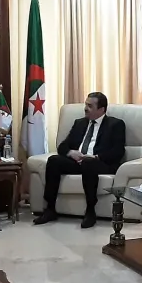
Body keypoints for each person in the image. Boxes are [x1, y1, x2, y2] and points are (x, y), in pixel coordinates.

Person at [33, 92, 126, 229]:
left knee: (88, 163)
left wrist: (96, 157)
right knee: (53, 161)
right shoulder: (79, 123)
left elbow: (118, 151)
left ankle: (90, 211)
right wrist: (71, 153)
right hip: (78, 162)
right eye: (86, 105)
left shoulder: (115, 124)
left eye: (90, 106)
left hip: (100, 163)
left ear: (101, 109)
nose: (86, 108)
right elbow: (62, 146)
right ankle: (50, 209)